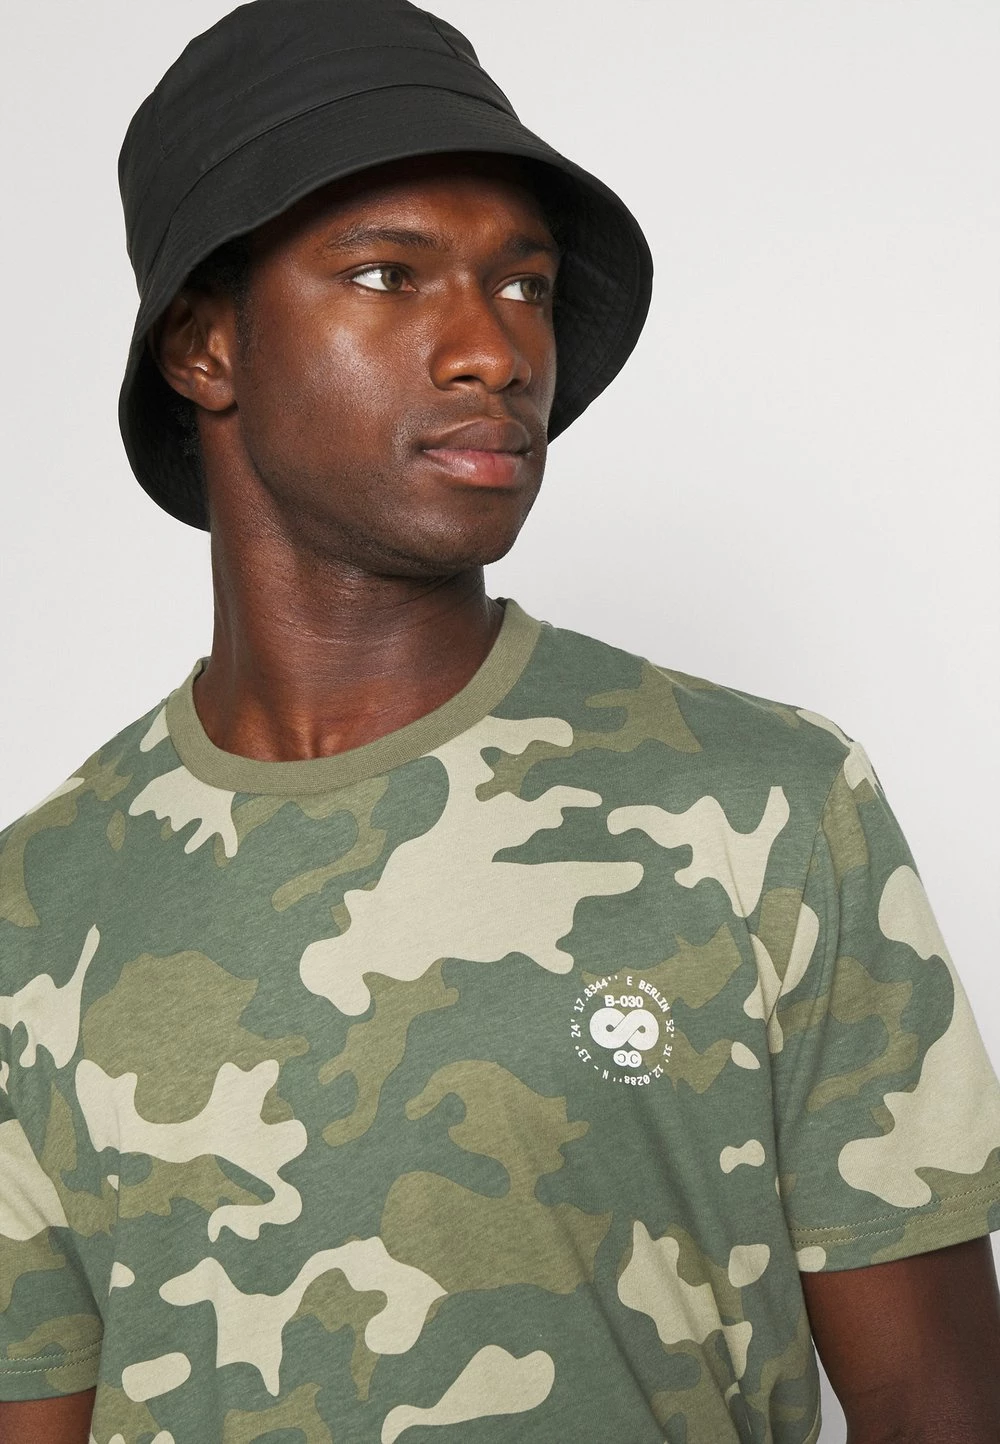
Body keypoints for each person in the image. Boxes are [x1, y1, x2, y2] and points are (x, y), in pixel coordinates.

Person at [1, 2, 998, 1441]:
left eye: (523, 285)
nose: (494, 351)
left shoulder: (769, 806)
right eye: (389, 275)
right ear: (205, 346)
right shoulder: (39, 912)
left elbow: (938, 1403)